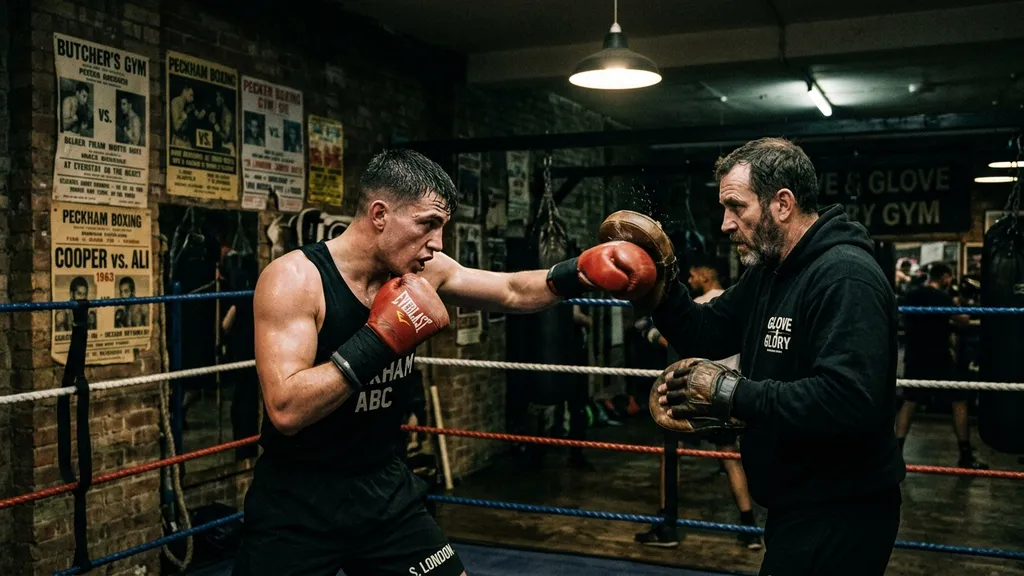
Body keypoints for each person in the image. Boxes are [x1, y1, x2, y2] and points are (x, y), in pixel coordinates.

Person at [233, 149, 661, 576]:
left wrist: (578, 273)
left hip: (384, 489)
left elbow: (510, 289)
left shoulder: (424, 270)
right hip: (298, 501)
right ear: (380, 214)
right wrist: (380, 339)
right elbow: (286, 409)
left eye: (441, 227)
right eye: (428, 224)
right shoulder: (295, 279)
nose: (436, 243)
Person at [649, 137, 906, 576]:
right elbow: (704, 332)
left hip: (842, 510)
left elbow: (846, 400)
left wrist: (731, 393)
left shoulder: (844, 276)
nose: (726, 224)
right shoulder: (769, 274)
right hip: (796, 504)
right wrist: (656, 280)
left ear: (782, 203)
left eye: (737, 207)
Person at [633, 253, 763, 551]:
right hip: (729, 393)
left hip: (698, 393)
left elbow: (680, 338)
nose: (690, 281)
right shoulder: (737, 300)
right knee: (729, 456)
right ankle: (749, 528)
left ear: (706, 273)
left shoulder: (706, 305)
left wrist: (649, 330)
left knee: (670, 452)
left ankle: (668, 526)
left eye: (693, 275)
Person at [895, 262, 987, 469]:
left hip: (916, 355)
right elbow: (963, 320)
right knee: (959, 399)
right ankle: (965, 455)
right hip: (939, 357)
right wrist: (962, 305)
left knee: (910, 401)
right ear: (944, 276)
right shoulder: (942, 297)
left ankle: (895, 453)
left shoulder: (913, 294)